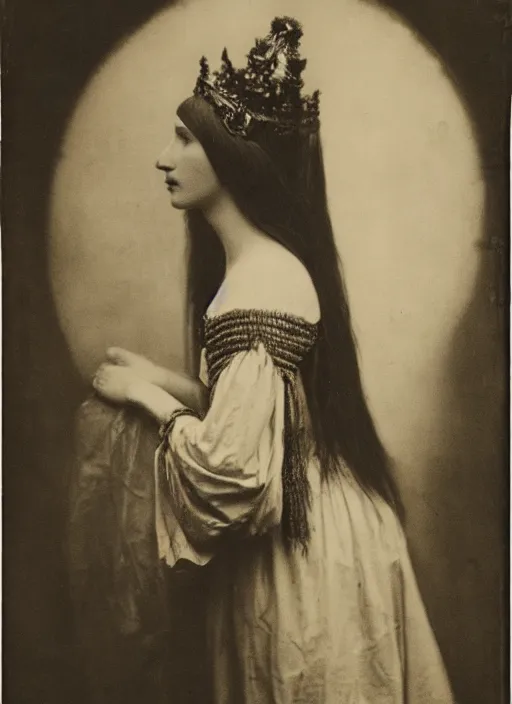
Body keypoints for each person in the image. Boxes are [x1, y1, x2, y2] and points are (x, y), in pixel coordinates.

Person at [93, 16, 455, 703]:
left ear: (232, 159)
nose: (164, 159)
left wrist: (151, 401)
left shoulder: (260, 281)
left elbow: (233, 472)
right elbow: (265, 415)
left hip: (301, 556)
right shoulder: (263, 269)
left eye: (184, 139)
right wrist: (159, 377)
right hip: (325, 526)